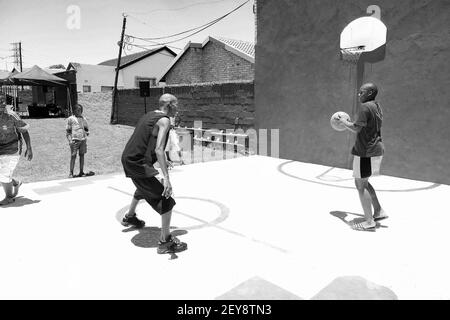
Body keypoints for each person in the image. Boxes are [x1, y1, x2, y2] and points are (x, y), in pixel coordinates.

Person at [121, 93, 187, 254]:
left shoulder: (149, 115)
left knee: (144, 187)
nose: (177, 108)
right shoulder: (165, 120)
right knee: (166, 200)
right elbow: (158, 149)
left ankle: (130, 216)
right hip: (138, 163)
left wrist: (164, 161)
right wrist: (167, 178)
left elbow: (147, 143)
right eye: (176, 105)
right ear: (170, 105)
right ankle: (165, 241)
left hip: (130, 159)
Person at [337, 83, 388, 230]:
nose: (359, 95)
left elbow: (356, 128)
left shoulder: (365, 107)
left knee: (360, 185)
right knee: (364, 182)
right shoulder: (377, 106)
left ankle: (369, 221)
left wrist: (343, 121)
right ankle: (378, 211)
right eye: (359, 92)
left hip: (365, 152)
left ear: (371, 92)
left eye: (362, 92)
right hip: (376, 149)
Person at [0, 93, 33, 205]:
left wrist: (29, 148)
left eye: (2, 102)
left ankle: (9, 197)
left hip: (13, 148)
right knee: (3, 174)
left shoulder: (11, 115)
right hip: (1, 148)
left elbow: (24, 130)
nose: (1, 104)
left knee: (3, 173)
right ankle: (15, 183)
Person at [66, 104, 94, 178]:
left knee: (82, 155)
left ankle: (81, 172)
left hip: (83, 140)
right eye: (77, 110)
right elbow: (68, 131)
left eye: (80, 110)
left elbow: (86, 128)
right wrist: (70, 141)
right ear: (74, 110)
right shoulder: (70, 119)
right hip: (74, 140)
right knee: (73, 156)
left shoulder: (83, 118)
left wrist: (87, 132)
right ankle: (71, 172)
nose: (79, 111)